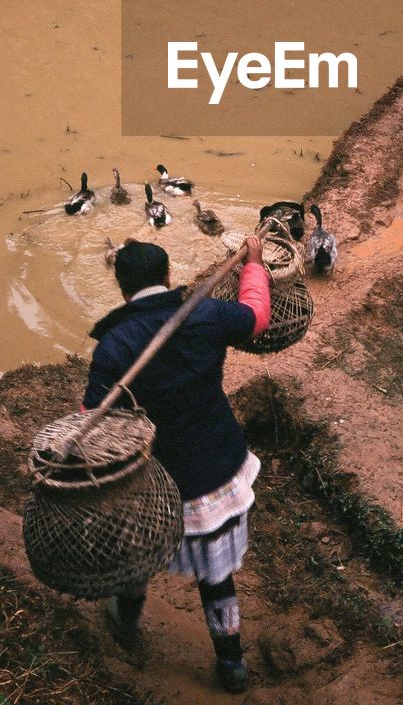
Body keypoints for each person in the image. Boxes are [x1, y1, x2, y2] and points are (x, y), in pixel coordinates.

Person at [83, 234, 271, 693]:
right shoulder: (206, 314)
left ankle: (125, 625)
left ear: (121, 288)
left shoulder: (115, 344)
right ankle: (231, 664)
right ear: (168, 276)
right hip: (215, 463)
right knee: (216, 572)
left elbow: (94, 420)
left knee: (137, 555)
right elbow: (257, 317)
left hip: (154, 480)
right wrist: (254, 265)